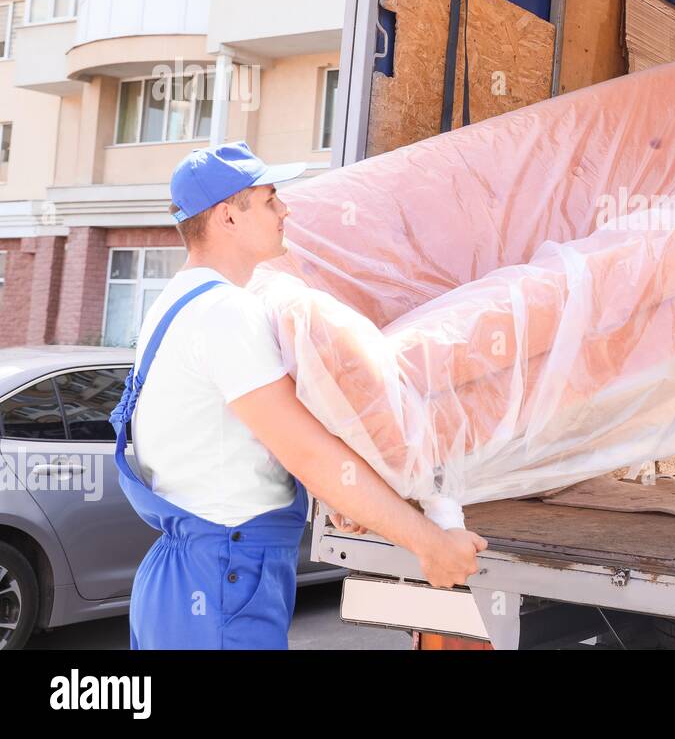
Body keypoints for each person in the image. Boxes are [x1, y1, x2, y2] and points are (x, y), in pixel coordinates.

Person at [108, 140, 486, 648]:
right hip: (224, 578)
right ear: (227, 217)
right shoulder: (225, 314)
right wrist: (431, 544)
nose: (285, 209)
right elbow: (306, 451)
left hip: (186, 577)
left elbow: (244, 448)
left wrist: (349, 501)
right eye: (269, 200)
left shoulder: (174, 304)